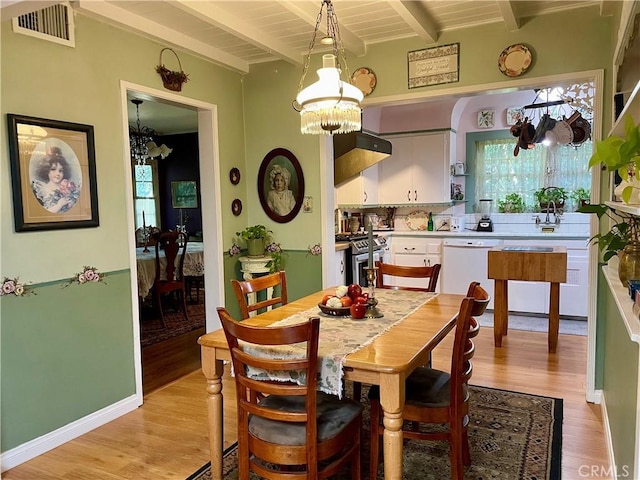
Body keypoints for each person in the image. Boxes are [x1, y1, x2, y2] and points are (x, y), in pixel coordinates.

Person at [31, 146, 80, 214]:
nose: (58, 174)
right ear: (46, 171)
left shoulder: (68, 188)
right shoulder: (42, 190)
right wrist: (59, 205)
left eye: (60, 170)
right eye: (53, 169)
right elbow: (42, 214)